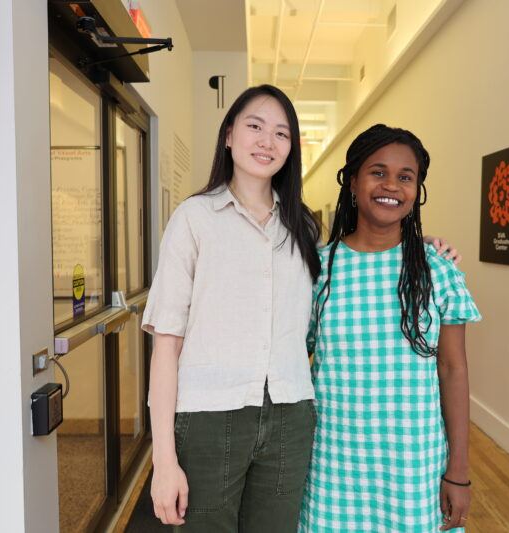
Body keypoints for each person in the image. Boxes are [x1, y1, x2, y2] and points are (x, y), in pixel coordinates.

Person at [141, 86, 460, 532]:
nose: (266, 142)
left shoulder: (304, 228)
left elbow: (354, 258)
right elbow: (166, 347)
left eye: (281, 133)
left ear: (291, 149)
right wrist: (163, 459)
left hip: (292, 418)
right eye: (254, 126)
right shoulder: (193, 219)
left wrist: (416, 244)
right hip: (211, 418)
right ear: (229, 134)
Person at [299, 124, 481, 532]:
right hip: (332, 462)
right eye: (377, 172)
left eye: (405, 177)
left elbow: (453, 371)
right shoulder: (318, 271)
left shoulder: (437, 270)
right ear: (352, 182)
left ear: (417, 190)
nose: (392, 186)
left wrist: (459, 470)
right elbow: (294, 362)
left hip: (414, 464)